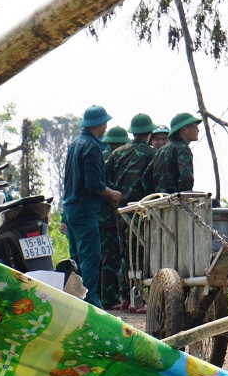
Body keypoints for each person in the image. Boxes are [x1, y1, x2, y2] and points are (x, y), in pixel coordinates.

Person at [61, 105, 121, 308]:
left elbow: (69, 180)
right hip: (85, 210)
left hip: (70, 209)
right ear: (102, 124)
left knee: (76, 257)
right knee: (90, 257)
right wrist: (111, 193)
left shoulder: (75, 144)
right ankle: (89, 301)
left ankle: (73, 298)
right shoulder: (93, 147)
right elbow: (93, 183)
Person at [103, 113, 158, 311]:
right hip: (141, 210)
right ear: (149, 133)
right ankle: (137, 299)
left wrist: (113, 196)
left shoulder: (117, 153)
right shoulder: (152, 154)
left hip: (120, 210)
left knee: (124, 252)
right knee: (140, 253)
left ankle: (125, 297)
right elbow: (153, 182)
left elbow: (104, 177)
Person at [97, 125, 129, 310]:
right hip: (108, 215)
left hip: (101, 214)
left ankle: (106, 296)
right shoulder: (111, 158)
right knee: (111, 256)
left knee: (105, 256)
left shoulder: (103, 156)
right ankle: (109, 298)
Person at [147, 112, 201, 194]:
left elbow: (146, 177)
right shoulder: (182, 148)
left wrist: (153, 197)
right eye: (195, 126)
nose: (198, 130)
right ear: (184, 130)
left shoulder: (161, 150)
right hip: (175, 203)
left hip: (160, 202)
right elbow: (186, 177)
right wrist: (183, 197)